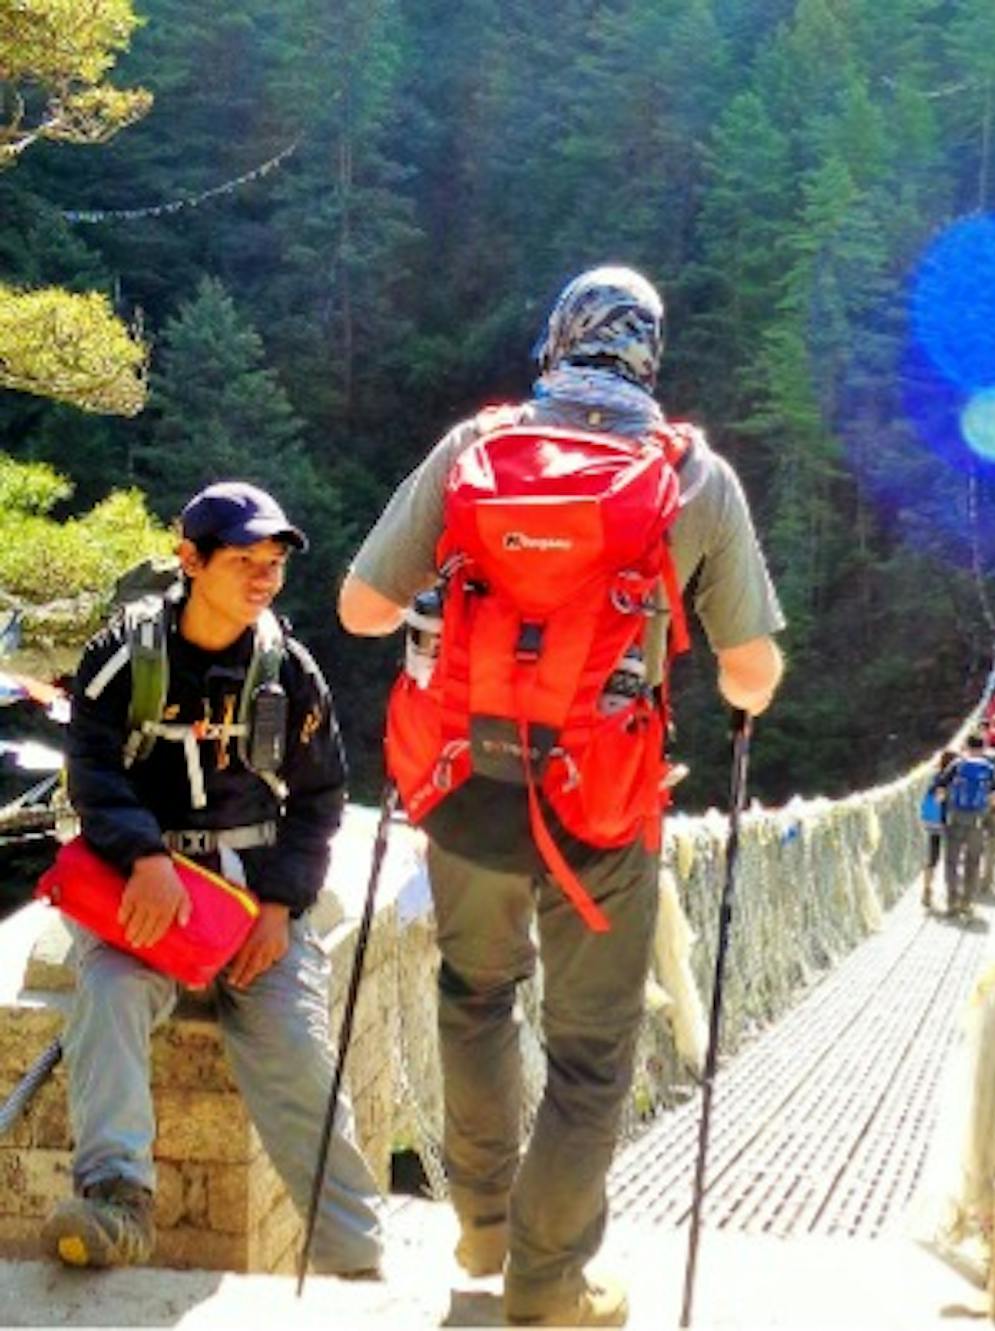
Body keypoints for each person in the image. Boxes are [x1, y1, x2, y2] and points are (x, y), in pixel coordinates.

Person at [338, 266, 784, 1328]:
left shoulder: (473, 451)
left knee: (473, 995)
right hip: (600, 813)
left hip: (461, 789)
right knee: (591, 1051)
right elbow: (750, 675)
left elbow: (361, 608)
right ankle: (549, 1283)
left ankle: (484, 1224)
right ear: (649, 353)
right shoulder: (693, 476)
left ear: (555, 340)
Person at [48, 482, 384, 1275]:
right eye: (244, 560)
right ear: (190, 559)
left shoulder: (288, 671)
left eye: (273, 563)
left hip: (252, 895)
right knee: (108, 992)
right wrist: (145, 855)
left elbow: (319, 798)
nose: (264, 577)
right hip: (146, 891)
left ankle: (352, 1257)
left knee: (299, 1051)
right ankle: (115, 1203)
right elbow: (90, 767)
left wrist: (280, 906)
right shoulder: (126, 656)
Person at [940, 736, 995, 918]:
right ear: (983, 748)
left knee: (951, 861)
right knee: (972, 862)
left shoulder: (957, 764)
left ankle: (952, 902)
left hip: (956, 817)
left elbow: (940, 790)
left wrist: (945, 810)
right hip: (977, 820)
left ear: (966, 747)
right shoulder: (989, 768)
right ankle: (967, 902)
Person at [919, 749, 952, 911]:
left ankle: (927, 889)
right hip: (945, 823)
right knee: (952, 857)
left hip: (931, 822)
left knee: (933, 857)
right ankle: (951, 892)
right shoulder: (948, 779)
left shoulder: (935, 776)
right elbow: (942, 798)